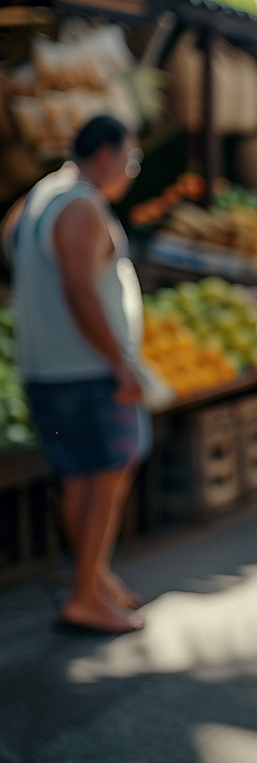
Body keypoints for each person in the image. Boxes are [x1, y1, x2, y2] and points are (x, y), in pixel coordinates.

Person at [2, 114, 149, 635]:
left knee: (81, 477)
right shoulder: (83, 205)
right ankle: (85, 594)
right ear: (105, 154)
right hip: (86, 368)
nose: (131, 172)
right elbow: (80, 291)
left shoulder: (39, 197)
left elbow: (13, 251)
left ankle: (94, 577)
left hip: (46, 366)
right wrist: (120, 362)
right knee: (108, 475)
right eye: (130, 160)